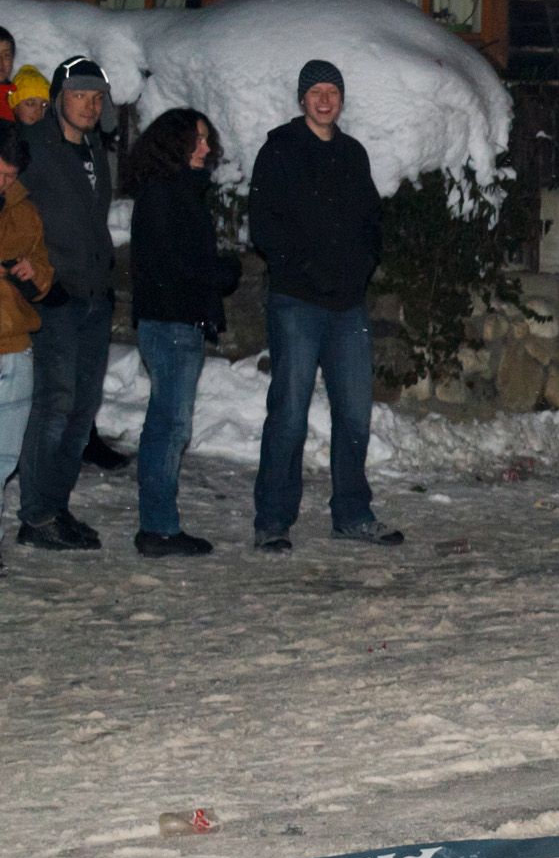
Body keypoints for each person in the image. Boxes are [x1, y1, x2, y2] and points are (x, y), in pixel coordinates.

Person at [247, 59, 401, 550]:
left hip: (348, 304)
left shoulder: (353, 154)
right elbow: (264, 224)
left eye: (332, 91)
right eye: (315, 91)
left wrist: (362, 266)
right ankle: (273, 519)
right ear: (302, 99)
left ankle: (352, 513)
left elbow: (371, 221)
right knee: (289, 413)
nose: (324, 99)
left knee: (354, 413)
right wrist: (304, 269)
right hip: (297, 301)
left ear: (341, 99)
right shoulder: (279, 150)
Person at [125, 108, 239, 557]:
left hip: (177, 322)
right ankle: (158, 528)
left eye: (207, 139)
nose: (206, 148)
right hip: (171, 323)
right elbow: (178, 264)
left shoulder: (179, 191)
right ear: (175, 144)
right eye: (197, 139)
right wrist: (223, 272)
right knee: (169, 427)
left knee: (169, 425)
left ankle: (159, 524)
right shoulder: (164, 193)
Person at [15, 55, 117, 552]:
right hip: (55, 297)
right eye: (79, 95)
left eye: (97, 97)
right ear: (59, 98)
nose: (89, 106)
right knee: (54, 405)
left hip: (94, 295)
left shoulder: (95, 148)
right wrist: (32, 274)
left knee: (82, 409)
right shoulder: (34, 148)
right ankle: (36, 516)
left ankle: (54, 506)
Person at [0, 122, 54, 576]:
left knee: (3, 458)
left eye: (11, 175)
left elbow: (44, 273)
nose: (4, 183)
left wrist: (32, 273)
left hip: (15, 345)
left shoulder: (25, 211)